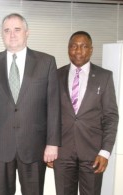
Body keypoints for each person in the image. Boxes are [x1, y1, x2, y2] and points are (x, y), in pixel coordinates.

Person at [0, 13, 61, 195]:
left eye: (17, 29)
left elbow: (53, 106)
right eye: (7, 30)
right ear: (2, 34)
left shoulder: (46, 62)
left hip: (34, 145)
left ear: (27, 32)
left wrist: (52, 143)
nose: (12, 34)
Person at [53, 31, 119, 195]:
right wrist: (49, 147)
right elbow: (48, 115)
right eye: (74, 46)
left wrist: (105, 152)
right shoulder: (55, 75)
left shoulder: (104, 76)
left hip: (93, 153)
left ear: (91, 50)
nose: (78, 51)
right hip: (62, 152)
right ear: (68, 49)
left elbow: (111, 117)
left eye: (83, 46)